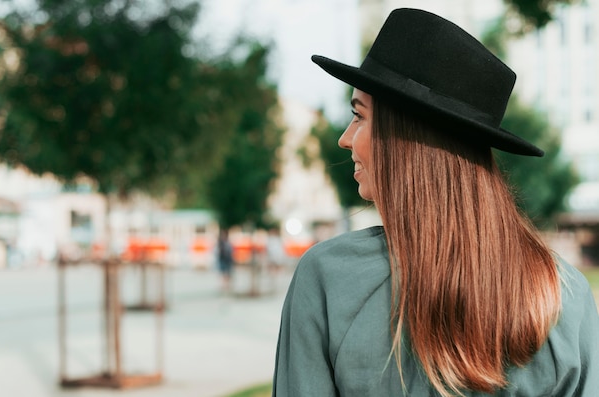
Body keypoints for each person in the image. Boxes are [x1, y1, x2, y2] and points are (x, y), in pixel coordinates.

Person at [272, 8, 599, 397]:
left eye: (358, 117)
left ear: (403, 138)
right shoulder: (562, 294)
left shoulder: (330, 278)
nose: (345, 138)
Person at [216, 228, 234, 292]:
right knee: (223, 273)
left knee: (227, 273)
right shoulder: (220, 243)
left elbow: (231, 251)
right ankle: (224, 285)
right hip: (223, 259)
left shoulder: (228, 243)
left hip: (228, 260)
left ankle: (227, 285)